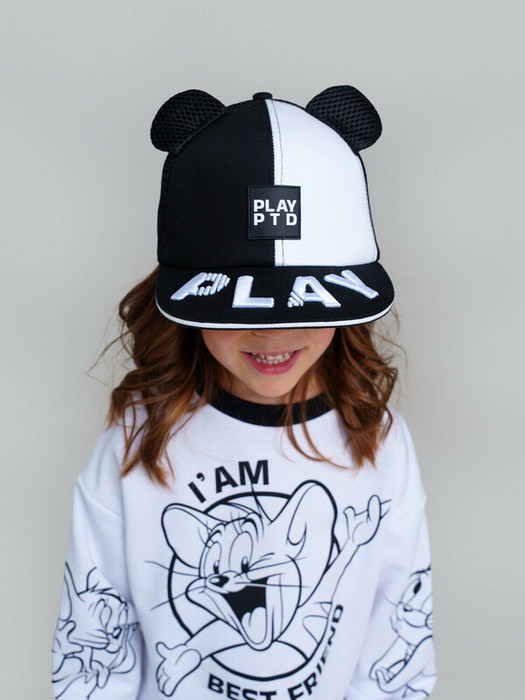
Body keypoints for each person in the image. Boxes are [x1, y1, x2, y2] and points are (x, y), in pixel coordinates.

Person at [52, 86, 437, 699]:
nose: (272, 333)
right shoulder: (137, 441)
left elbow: (397, 647)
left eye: (303, 305)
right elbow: (93, 654)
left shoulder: (378, 439)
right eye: (241, 307)